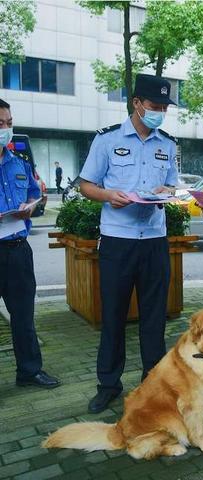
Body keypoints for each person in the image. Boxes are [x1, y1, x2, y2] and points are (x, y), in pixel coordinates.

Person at [79, 74, 178, 414]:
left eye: (164, 107)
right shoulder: (106, 140)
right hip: (118, 242)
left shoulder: (167, 143)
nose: (160, 112)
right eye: (154, 106)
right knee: (113, 316)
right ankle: (108, 384)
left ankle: (154, 385)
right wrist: (109, 195)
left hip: (154, 241)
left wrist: (166, 194)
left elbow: (170, 187)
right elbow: (86, 185)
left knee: (154, 319)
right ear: (137, 103)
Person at [0, 99, 60, 389]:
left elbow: (36, 195)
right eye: (0, 124)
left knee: (23, 317)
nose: (6, 129)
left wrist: (30, 206)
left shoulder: (18, 163)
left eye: (9, 123)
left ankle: (29, 371)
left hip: (18, 251)